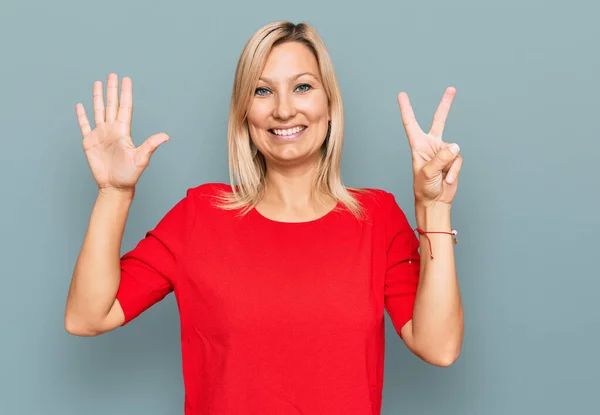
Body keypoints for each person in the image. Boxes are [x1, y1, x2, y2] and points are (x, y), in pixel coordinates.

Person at [64, 20, 464, 415]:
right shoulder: (199, 216)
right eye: (262, 91)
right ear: (243, 112)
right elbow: (87, 316)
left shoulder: (377, 218)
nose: (284, 109)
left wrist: (434, 207)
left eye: (303, 87)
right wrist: (114, 193)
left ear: (330, 105)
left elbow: (438, 346)